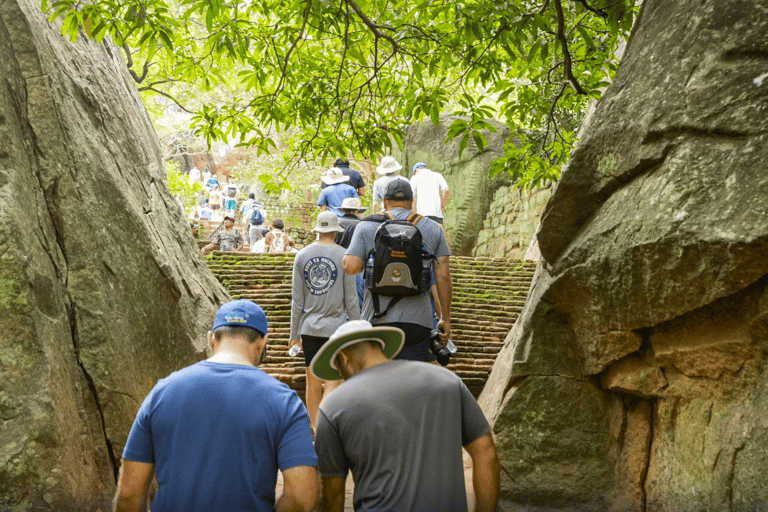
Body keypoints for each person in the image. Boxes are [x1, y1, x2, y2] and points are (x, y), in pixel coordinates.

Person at [114, 300, 319, 512]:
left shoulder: (161, 393)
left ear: (211, 339)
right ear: (262, 343)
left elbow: (129, 495)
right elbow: (302, 497)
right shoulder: (285, 401)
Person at [311, 320, 500, 512]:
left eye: (338, 370)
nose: (341, 376)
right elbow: (486, 454)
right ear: (379, 347)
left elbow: (332, 495)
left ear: (343, 357)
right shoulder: (448, 381)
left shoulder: (333, 407)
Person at [343, 179, 452, 361]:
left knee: (380, 378)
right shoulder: (433, 229)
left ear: (384, 201)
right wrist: (445, 318)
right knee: (412, 380)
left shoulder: (367, 226)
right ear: (411, 202)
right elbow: (444, 276)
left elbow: (350, 267)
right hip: (419, 321)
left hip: (378, 319)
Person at [289, 211, 360, 430]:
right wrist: (358, 330)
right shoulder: (344, 255)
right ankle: (328, 429)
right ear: (335, 232)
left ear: (318, 230)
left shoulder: (302, 255)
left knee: (312, 381)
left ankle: (314, 428)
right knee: (333, 379)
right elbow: (351, 299)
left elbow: (297, 301)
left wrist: (294, 336)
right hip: (336, 329)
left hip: (310, 328)